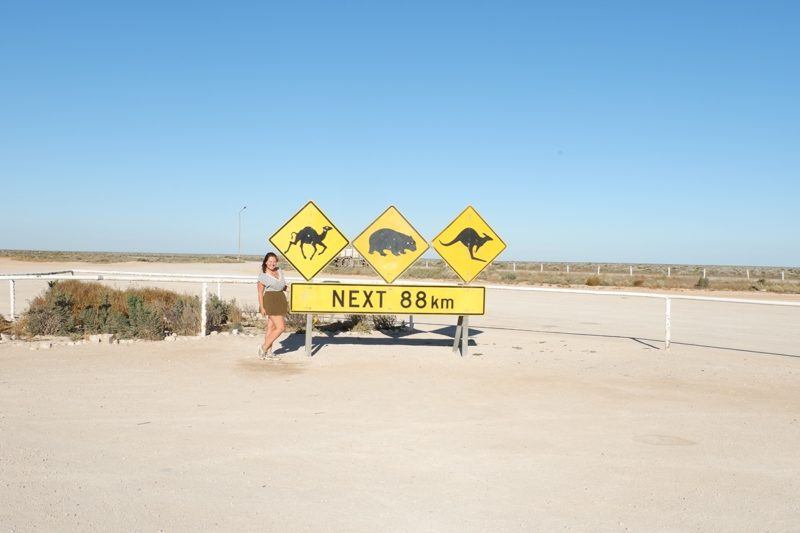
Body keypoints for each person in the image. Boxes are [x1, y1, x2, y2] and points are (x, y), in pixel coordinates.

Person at [257, 252, 288, 358]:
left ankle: (269, 353)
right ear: (266, 262)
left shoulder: (279, 271)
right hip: (270, 301)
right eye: (270, 261)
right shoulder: (263, 275)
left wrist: (292, 290)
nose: (272, 263)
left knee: (271, 327)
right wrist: (262, 307)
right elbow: (260, 292)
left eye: (274, 261)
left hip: (280, 299)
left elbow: (282, 286)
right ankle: (264, 347)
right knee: (281, 327)